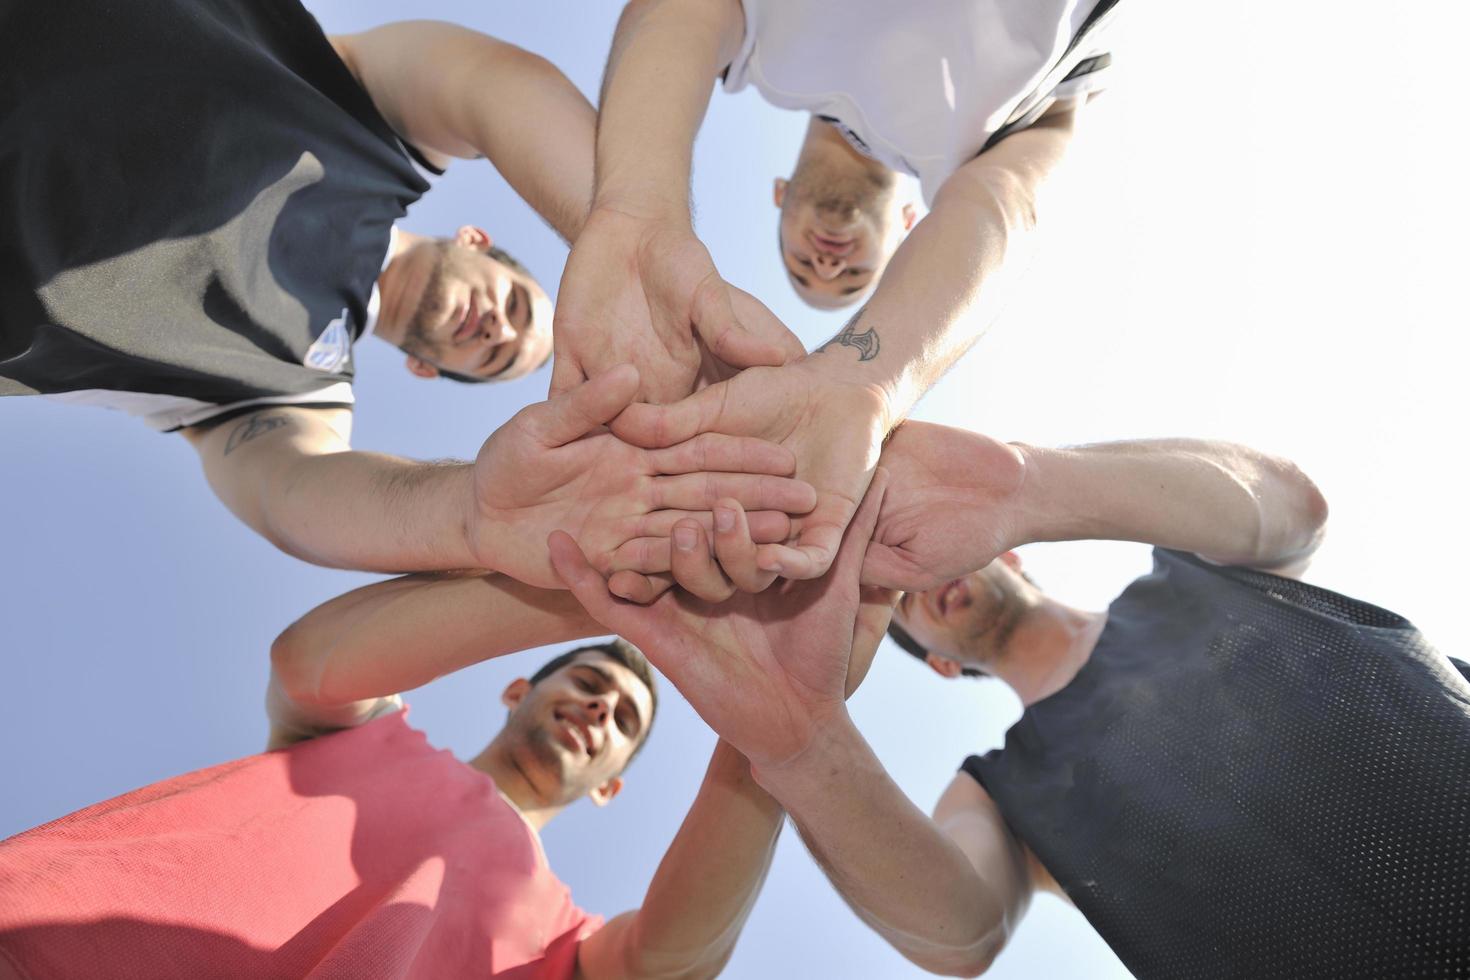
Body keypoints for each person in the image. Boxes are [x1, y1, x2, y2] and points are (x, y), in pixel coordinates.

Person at [552, 427, 1470, 978]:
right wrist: (802, 748)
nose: (924, 592)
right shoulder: (1005, 793)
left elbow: (1294, 508)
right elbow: (963, 931)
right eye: (900, 605)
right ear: (942, 668)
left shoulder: (1193, 571)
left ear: (1010, 553)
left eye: (918, 565)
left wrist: (1025, 484)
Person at [0, 3, 811, 580]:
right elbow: (495, 86)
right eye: (519, 309)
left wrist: (472, 514)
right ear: (478, 241)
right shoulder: (377, 123)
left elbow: (295, 495)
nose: (494, 328)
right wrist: (637, 241)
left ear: (427, 369)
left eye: (492, 358)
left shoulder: (291, 394)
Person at [556, 0, 1116, 588]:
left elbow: (677, 14)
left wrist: (638, 210)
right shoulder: (997, 134)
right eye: (849, 277)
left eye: (801, 265)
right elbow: (1011, 203)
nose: (826, 262)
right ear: (908, 225)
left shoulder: (758, 44)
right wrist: (862, 384)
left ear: (779, 195)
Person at [0, 569, 784, 979]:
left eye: (624, 721)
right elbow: (308, 661)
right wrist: (603, 596)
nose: (598, 710)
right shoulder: (371, 730)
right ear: (520, 689)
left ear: (611, 785)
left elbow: (672, 963)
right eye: (587, 684)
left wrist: (772, 727)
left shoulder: (565, 942)